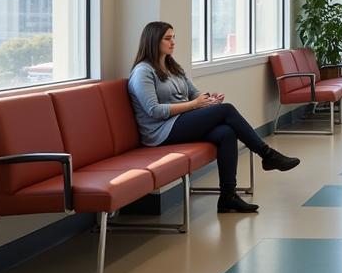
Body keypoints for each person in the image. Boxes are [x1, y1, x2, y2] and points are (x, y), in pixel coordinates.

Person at [128, 21, 301, 214]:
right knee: (226, 110)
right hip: (160, 132)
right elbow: (154, 111)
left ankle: (228, 196)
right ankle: (267, 154)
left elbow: (194, 93)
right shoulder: (142, 72)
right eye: (168, 38)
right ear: (153, 41)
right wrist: (195, 105)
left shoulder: (173, 67)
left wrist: (208, 100)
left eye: (173, 37)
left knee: (226, 133)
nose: (173, 42)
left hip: (182, 121)